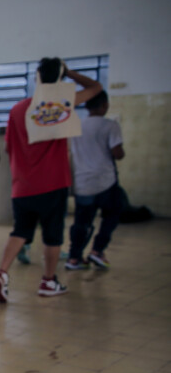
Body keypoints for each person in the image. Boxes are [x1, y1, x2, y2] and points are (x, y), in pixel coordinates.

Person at [0, 58, 102, 303]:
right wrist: (70, 73)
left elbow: (8, 147)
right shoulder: (63, 105)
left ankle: (2, 273)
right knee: (53, 235)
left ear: (36, 78)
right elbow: (96, 88)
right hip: (53, 183)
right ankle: (48, 281)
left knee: (20, 231)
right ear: (60, 79)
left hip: (22, 185)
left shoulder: (18, 109)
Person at [66, 90, 124, 271]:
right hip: (105, 181)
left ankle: (74, 258)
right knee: (114, 212)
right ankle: (97, 250)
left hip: (82, 183)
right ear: (105, 105)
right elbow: (118, 153)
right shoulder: (110, 125)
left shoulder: (77, 126)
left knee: (81, 222)